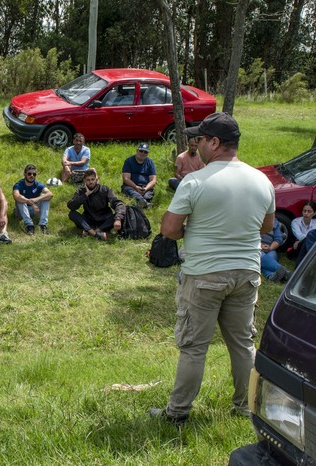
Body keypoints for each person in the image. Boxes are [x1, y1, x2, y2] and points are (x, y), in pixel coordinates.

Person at [150, 112, 275, 425]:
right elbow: (267, 226)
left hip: (205, 274)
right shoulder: (262, 180)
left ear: (215, 142)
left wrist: (193, 230)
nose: (197, 143)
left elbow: (168, 228)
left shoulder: (195, 181)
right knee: (244, 345)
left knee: (194, 348)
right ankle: (247, 408)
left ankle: (177, 414)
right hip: (247, 273)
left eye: (202, 138)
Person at [67, 168, 125, 240]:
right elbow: (71, 206)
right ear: (84, 181)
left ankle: (91, 231)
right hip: (89, 219)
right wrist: (86, 195)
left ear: (96, 180)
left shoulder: (105, 190)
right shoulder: (81, 191)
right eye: (88, 180)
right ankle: (94, 233)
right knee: (72, 214)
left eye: (92, 179)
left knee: (121, 214)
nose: (91, 182)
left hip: (104, 219)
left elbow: (118, 203)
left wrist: (118, 219)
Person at [12, 164, 53, 235]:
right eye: (29, 174)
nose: (32, 176)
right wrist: (30, 202)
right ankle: (29, 225)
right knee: (20, 198)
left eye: (34, 174)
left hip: (34, 210)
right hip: (21, 212)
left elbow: (50, 194)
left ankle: (43, 225)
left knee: (45, 197)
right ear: (24, 174)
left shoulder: (38, 184)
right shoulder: (19, 184)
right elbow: (16, 195)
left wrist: (36, 199)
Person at [121, 142, 157, 208]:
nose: (142, 153)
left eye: (145, 152)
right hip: (131, 186)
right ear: (137, 151)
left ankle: (142, 202)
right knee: (128, 190)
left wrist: (145, 189)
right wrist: (136, 187)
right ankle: (144, 202)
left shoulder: (150, 163)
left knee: (148, 194)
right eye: (141, 151)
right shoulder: (128, 161)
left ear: (147, 154)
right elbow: (126, 179)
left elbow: (153, 180)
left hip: (145, 187)